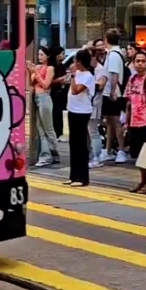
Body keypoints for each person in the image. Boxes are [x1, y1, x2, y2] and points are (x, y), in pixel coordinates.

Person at [124, 49, 146, 175]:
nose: (140, 63)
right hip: (134, 123)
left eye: (143, 61)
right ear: (133, 63)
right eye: (137, 61)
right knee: (139, 155)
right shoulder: (132, 79)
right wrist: (127, 123)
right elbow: (128, 103)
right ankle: (143, 181)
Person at [65, 49, 95, 187]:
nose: (74, 63)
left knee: (81, 143)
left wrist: (72, 76)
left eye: (76, 60)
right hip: (72, 110)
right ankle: (73, 175)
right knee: (73, 143)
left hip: (82, 112)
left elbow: (75, 90)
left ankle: (83, 178)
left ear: (81, 62)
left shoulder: (88, 76)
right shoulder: (77, 73)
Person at [28, 46, 60, 168]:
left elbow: (46, 84)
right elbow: (31, 83)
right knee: (40, 129)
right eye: (38, 55)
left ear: (47, 56)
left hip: (44, 98)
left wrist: (35, 73)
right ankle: (46, 156)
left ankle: (53, 154)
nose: (39, 57)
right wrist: (29, 71)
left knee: (48, 128)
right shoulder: (37, 67)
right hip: (36, 98)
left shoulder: (50, 68)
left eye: (41, 55)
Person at [100, 28, 128, 164]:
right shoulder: (115, 53)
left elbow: (114, 74)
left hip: (114, 93)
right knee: (110, 122)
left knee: (116, 123)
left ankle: (121, 150)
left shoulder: (113, 55)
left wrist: (112, 91)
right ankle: (108, 149)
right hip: (112, 92)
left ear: (106, 40)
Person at [49, 42, 69, 139]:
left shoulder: (62, 66)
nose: (63, 56)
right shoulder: (51, 67)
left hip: (61, 93)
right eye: (62, 54)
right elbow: (49, 81)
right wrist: (59, 80)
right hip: (52, 93)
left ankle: (59, 133)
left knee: (59, 112)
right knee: (54, 113)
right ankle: (56, 133)